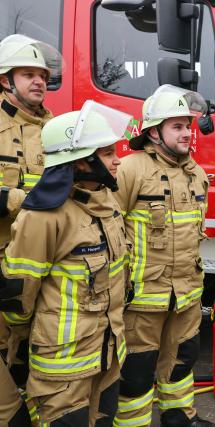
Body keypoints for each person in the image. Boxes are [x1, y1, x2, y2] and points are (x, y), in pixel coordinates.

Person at [0, 100, 132, 426]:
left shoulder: (106, 201)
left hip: (107, 353)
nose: (117, 161)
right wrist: (28, 341)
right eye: (107, 153)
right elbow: (19, 295)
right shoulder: (43, 216)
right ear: (81, 161)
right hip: (64, 366)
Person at [114, 85, 215, 427]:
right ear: (154, 132)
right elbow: (110, 229)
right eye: (177, 126)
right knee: (137, 373)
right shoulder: (131, 169)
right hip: (143, 296)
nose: (187, 132)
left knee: (182, 361)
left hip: (186, 292)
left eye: (188, 125)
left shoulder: (197, 174)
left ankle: (179, 417)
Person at [0, 34, 61, 426]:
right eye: (28, 74)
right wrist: (22, 200)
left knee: (28, 343)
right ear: (6, 79)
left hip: (41, 260)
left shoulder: (56, 129)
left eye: (42, 75)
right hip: (3, 255)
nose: (39, 81)